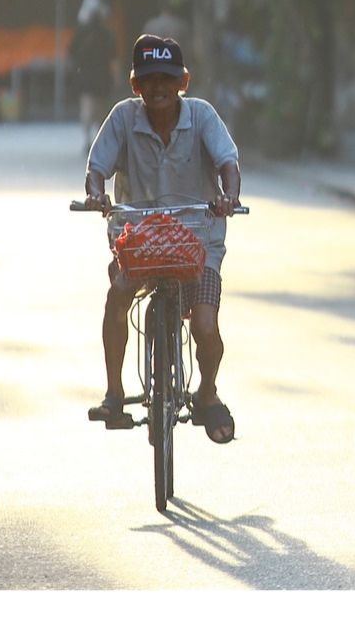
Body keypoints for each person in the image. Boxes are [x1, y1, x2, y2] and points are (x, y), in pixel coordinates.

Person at [84, 34, 242, 443]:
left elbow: (228, 163)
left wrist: (229, 196)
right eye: (149, 79)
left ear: (183, 81)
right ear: (135, 84)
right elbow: (96, 169)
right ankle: (114, 394)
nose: (158, 88)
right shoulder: (122, 118)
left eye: (167, 79)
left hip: (198, 243)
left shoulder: (202, 116)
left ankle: (207, 393)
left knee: (204, 324)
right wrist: (96, 194)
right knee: (118, 295)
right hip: (139, 242)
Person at [68, 0, 118, 157]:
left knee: (87, 108)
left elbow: (71, 53)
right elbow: (113, 58)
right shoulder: (107, 35)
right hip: (102, 75)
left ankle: (87, 139)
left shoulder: (80, 33)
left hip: (85, 74)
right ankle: (99, 139)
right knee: (101, 109)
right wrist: (116, 77)